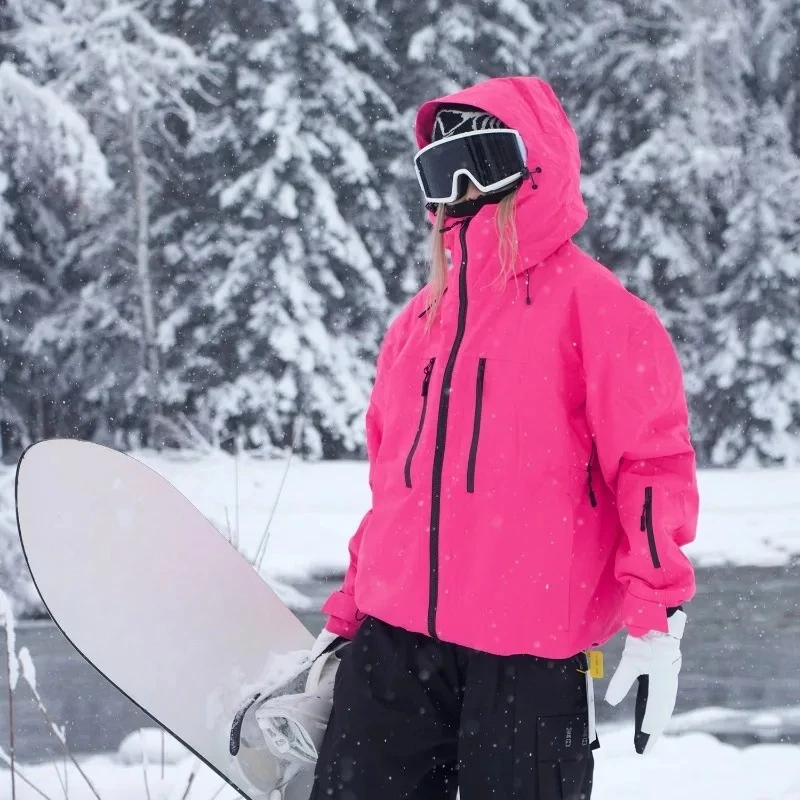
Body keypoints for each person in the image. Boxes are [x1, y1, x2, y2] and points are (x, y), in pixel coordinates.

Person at [248, 75, 699, 800]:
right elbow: (395, 490)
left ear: (539, 164)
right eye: (441, 168)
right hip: (394, 649)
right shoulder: (416, 326)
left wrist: (656, 613)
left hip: (528, 657)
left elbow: (651, 468)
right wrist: (351, 612)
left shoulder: (601, 313)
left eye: (485, 159)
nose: (462, 187)